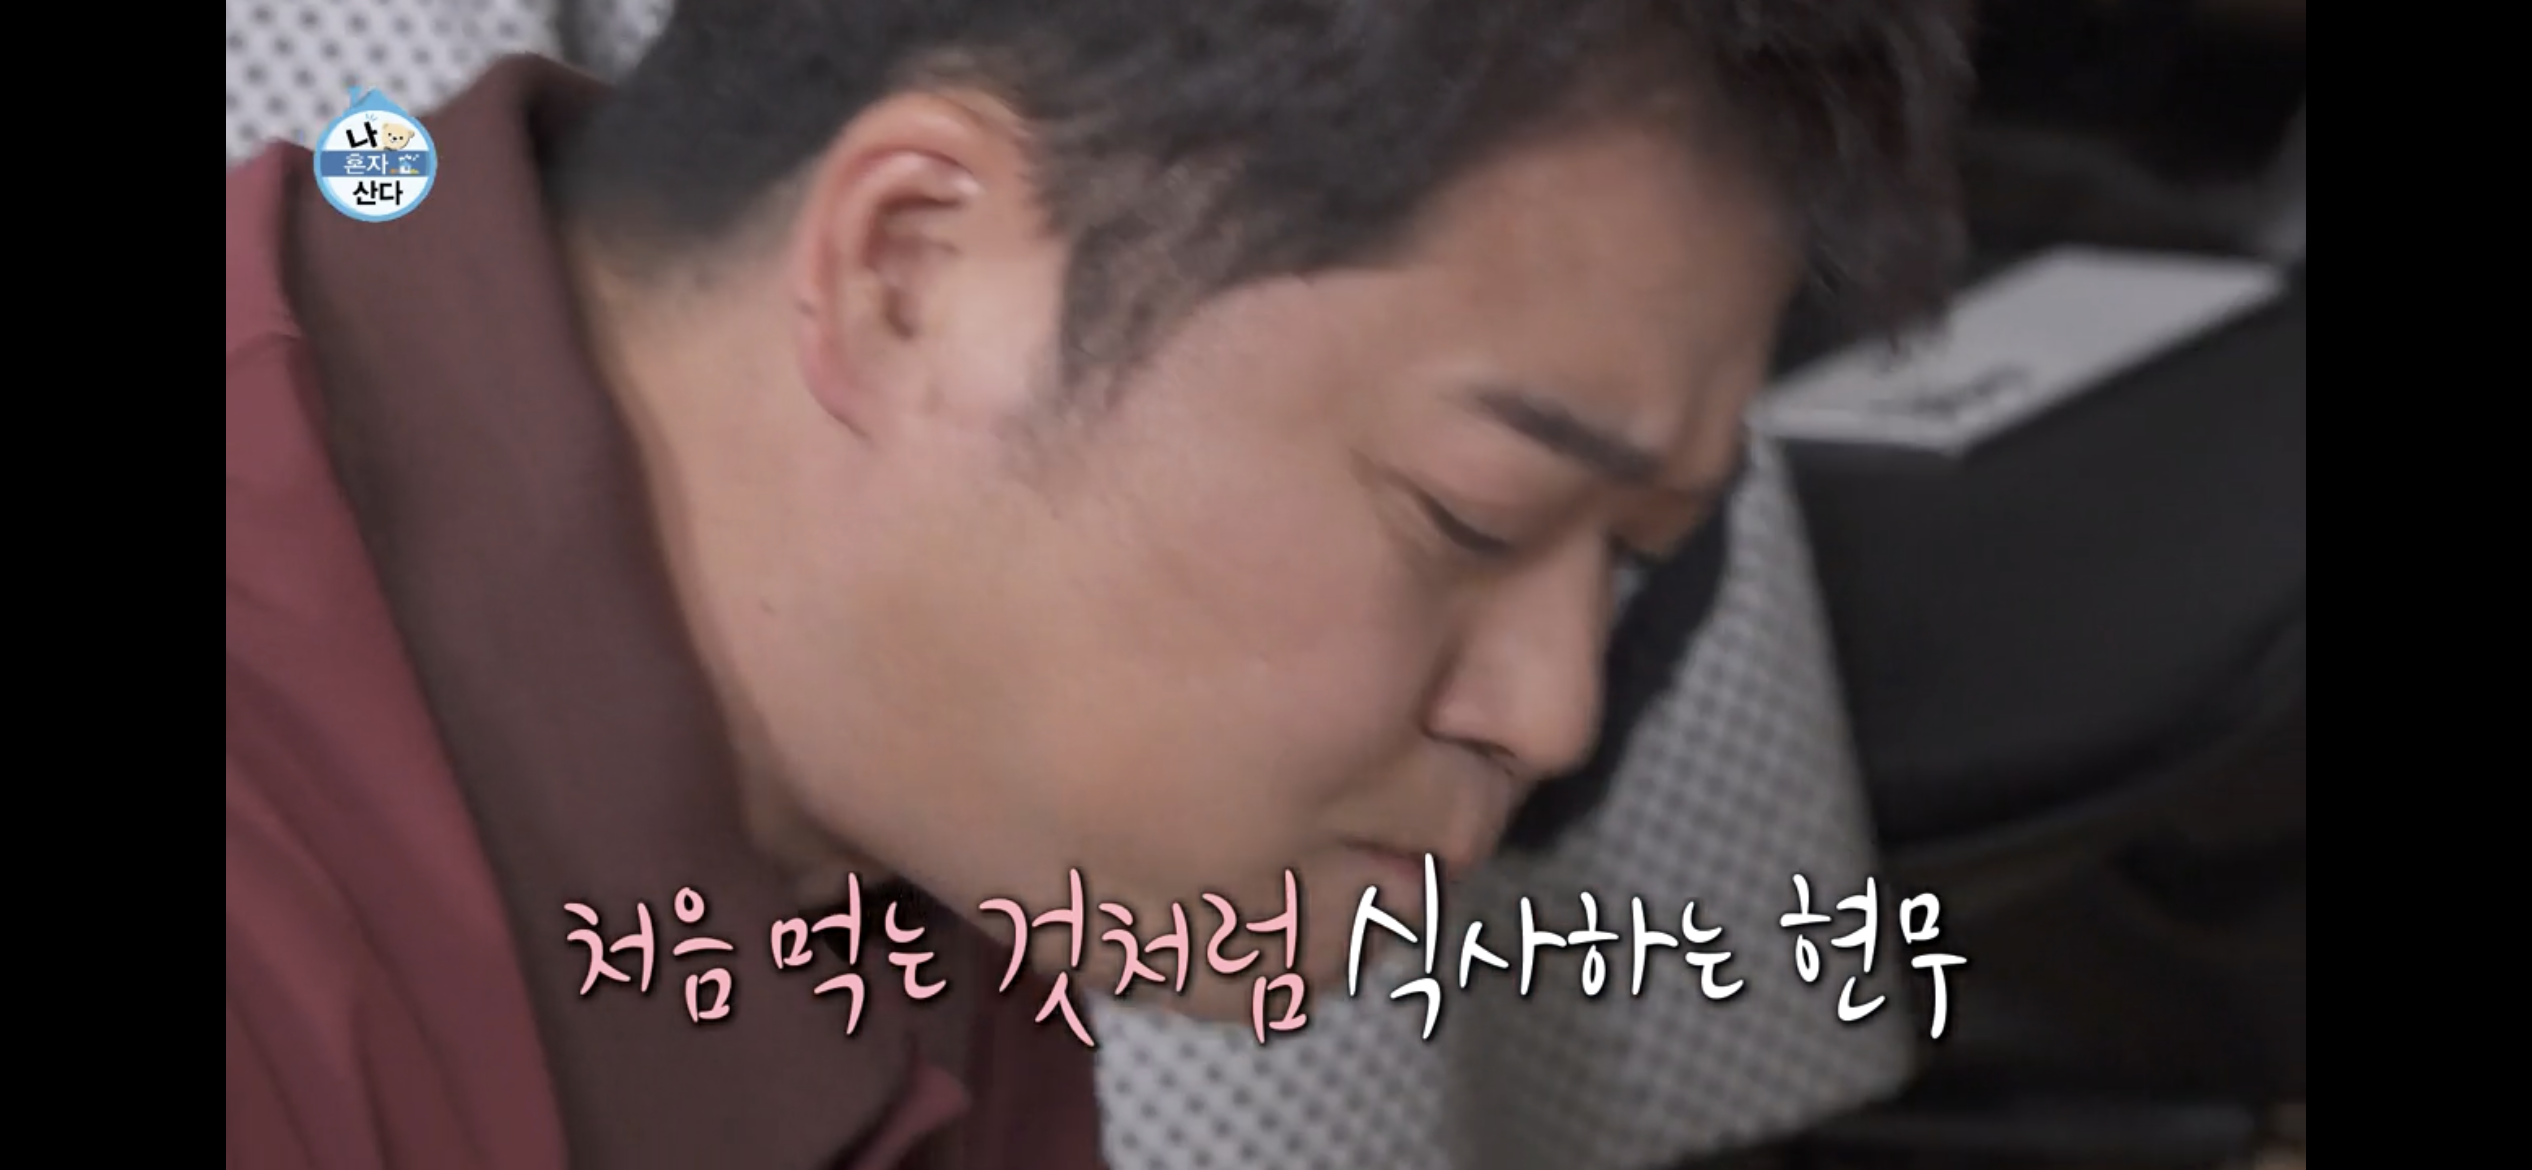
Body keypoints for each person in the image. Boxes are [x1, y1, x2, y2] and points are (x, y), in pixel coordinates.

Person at [224, 2, 1974, 1167]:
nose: (1553, 712)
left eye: (1632, 556)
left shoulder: (912, 756)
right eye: (1470, 513)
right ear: (915, 270)